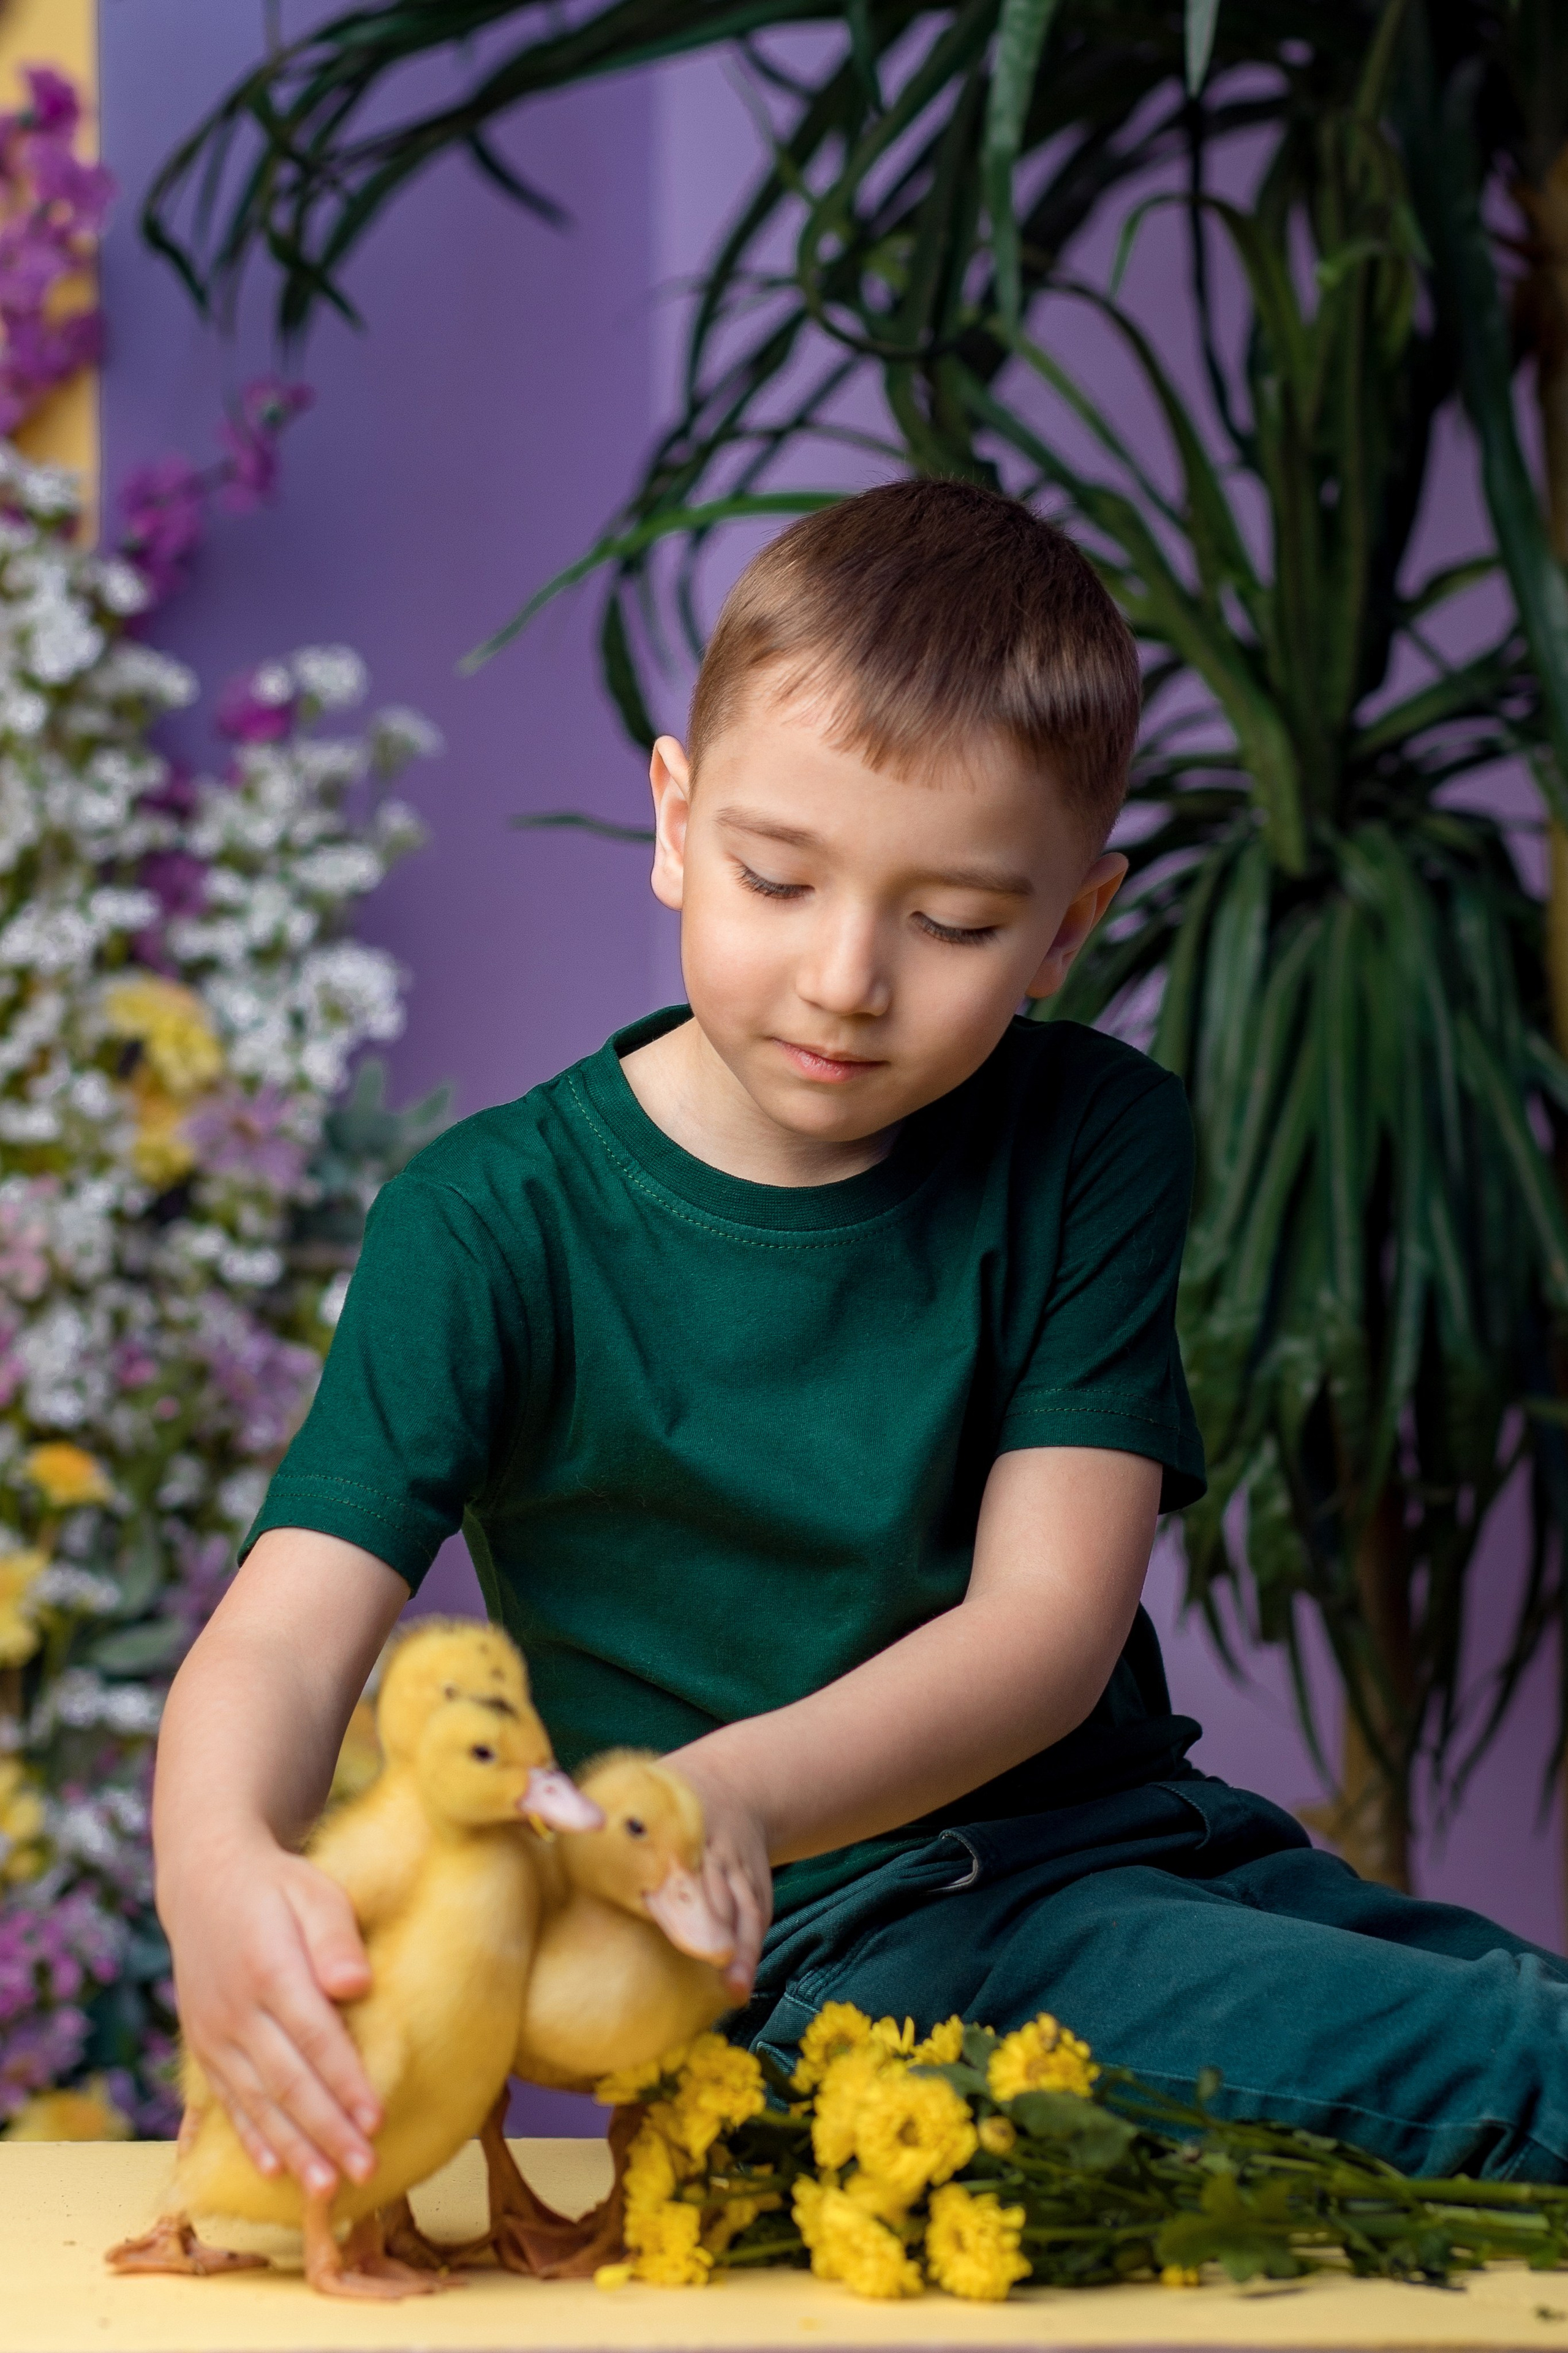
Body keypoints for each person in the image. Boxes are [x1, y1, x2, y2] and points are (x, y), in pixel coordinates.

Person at [153, 479, 1568, 2210]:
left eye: (956, 923)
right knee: (1524, 2072)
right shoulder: (485, 1221)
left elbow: (1046, 1632)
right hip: (813, 1962)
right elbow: (288, 1641)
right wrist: (216, 1864)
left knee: (1535, 2026)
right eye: (774, 874)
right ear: (673, 819)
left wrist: (729, 1782)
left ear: (1069, 923)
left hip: (1147, 1852)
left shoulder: (1093, 1135)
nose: (845, 976)